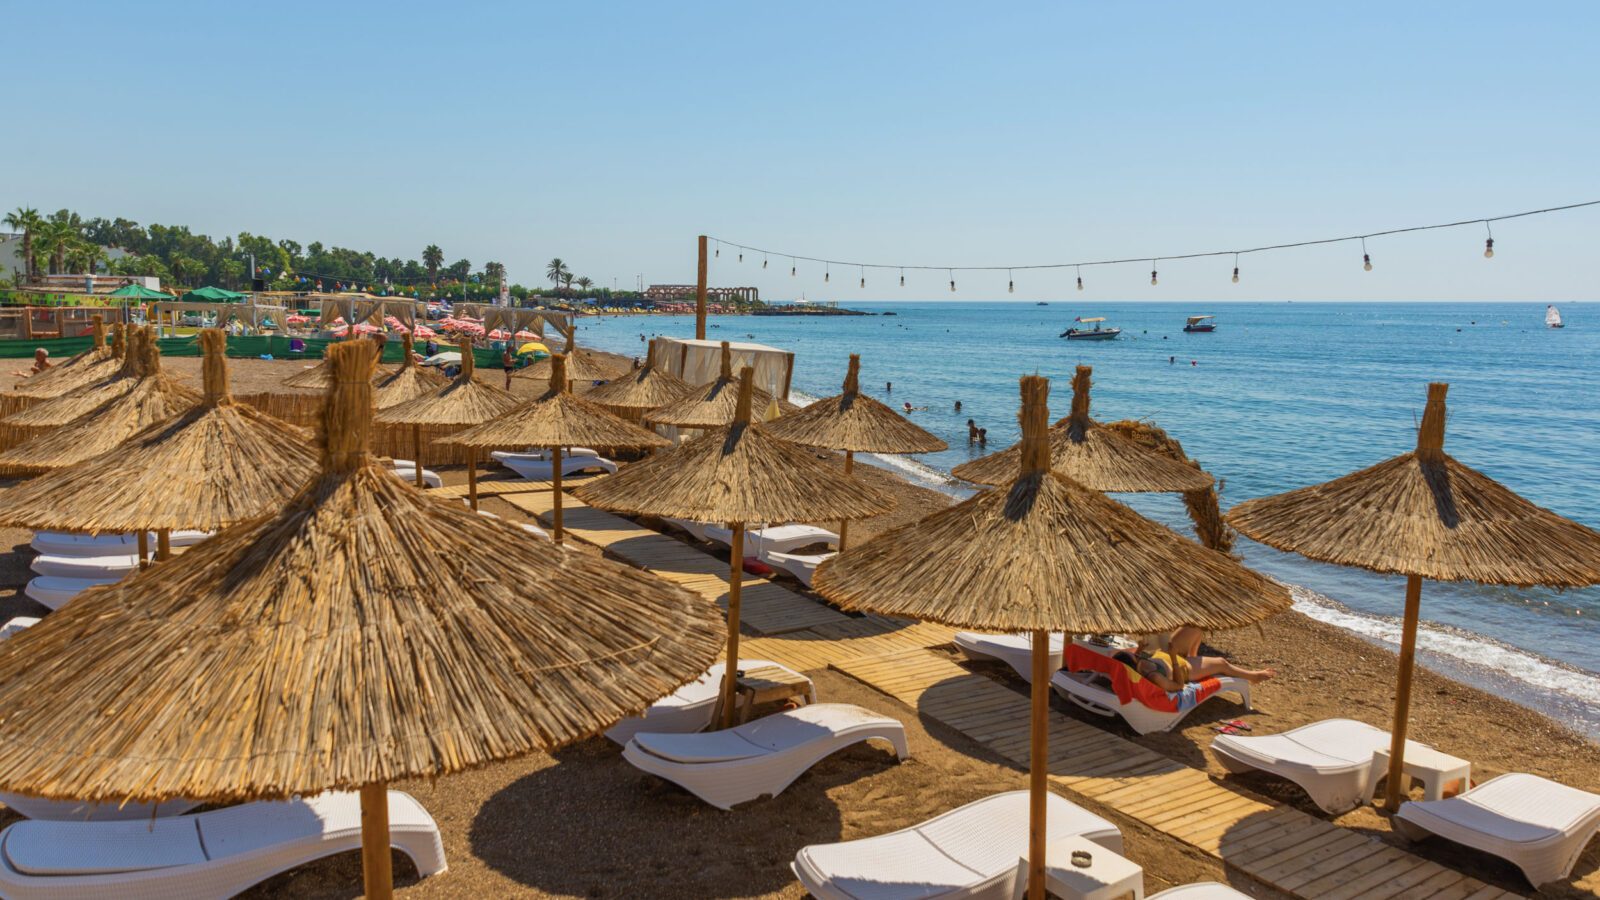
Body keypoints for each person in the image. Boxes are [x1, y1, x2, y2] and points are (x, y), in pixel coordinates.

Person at [1167, 625, 1275, 683]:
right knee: (1221, 663)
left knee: (1195, 625)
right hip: (1174, 668)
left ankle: (1194, 659)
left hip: (1162, 657)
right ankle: (1254, 677)